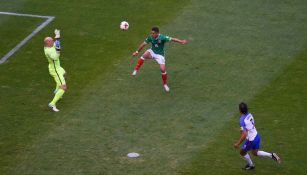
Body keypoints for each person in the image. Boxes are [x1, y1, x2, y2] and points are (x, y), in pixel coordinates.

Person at [131, 26, 188, 92]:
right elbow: (143, 44)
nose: (152, 34)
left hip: (160, 55)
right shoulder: (150, 37)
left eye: (153, 33)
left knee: (162, 69)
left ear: (157, 33)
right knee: (144, 55)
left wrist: (181, 41)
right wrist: (136, 52)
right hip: (152, 51)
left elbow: (172, 39)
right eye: (151, 33)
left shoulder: (162, 37)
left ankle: (165, 84)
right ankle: (136, 70)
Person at [234, 102, 281, 170]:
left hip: (251, 140)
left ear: (240, 110)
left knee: (242, 152)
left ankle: (251, 165)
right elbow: (251, 125)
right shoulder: (250, 114)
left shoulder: (242, 120)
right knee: (255, 153)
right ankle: (271, 155)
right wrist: (243, 129)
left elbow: (244, 135)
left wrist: (237, 144)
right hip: (256, 136)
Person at [44, 29, 66, 112]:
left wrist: (57, 37)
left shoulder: (49, 46)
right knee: (64, 87)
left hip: (56, 67)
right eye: (51, 40)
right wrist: (58, 49)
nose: (53, 41)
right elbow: (56, 56)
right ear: (48, 43)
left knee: (64, 74)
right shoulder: (48, 51)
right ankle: (52, 103)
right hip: (55, 70)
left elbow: (57, 44)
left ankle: (57, 91)